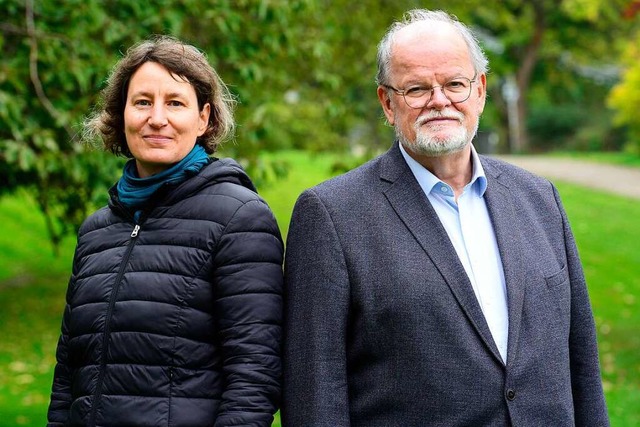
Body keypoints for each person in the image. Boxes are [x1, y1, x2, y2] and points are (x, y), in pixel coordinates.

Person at [282, 9, 609, 426]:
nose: (440, 101)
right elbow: (314, 391)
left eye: (455, 84)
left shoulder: (539, 198)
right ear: (387, 102)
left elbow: (581, 357)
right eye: (416, 88)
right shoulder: (331, 214)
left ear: (480, 91)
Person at [47, 36, 283, 427]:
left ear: (203, 118)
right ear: (122, 114)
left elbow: (254, 377)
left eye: (175, 102)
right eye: (142, 102)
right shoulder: (95, 231)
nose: (157, 117)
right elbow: (67, 376)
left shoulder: (240, 218)